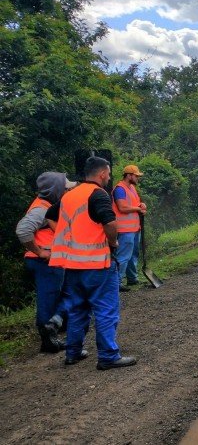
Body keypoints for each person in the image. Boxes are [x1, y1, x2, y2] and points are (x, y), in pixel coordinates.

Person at [49, 156, 137, 369]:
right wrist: (113, 241)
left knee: (78, 310)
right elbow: (110, 222)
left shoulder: (70, 196)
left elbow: (50, 216)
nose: (108, 176)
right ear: (101, 173)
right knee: (106, 309)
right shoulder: (98, 194)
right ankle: (108, 356)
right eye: (107, 172)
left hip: (72, 265)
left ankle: (73, 352)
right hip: (97, 265)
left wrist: (69, 240)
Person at [15, 172, 77, 353]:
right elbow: (23, 230)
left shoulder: (47, 205)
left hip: (49, 261)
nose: (67, 191)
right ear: (55, 189)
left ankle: (54, 330)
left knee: (61, 295)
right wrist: (40, 251)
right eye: (64, 188)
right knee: (48, 300)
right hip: (44, 262)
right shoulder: (42, 209)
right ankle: (48, 340)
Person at [112, 165, 146, 291]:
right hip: (124, 230)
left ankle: (132, 278)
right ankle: (117, 282)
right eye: (136, 176)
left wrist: (141, 205)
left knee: (133, 255)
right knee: (123, 256)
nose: (138, 178)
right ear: (129, 175)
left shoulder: (131, 188)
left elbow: (134, 204)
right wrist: (138, 208)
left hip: (134, 228)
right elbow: (122, 207)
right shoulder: (120, 189)